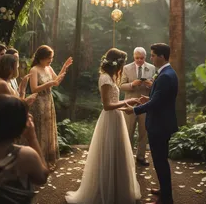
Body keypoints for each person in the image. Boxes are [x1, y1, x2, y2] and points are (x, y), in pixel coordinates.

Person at [65, 48, 141, 204]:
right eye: (123, 63)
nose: (123, 66)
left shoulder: (111, 77)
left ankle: (118, 189)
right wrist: (129, 102)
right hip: (109, 119)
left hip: (117, 117)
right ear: (117, 63)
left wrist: (125, 106)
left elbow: (113, 103)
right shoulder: (105, 79)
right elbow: (107, 105)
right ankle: (105, 189)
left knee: (117, 153)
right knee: (108, 153)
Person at [121, 43, 178, 204]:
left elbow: (158, 103)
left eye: (152, 55)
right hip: (161, 121)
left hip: (160, 124)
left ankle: (166, 198)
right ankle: (164, 190)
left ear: (161, 56)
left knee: (160, 161)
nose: (150, 58)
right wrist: (150, 98)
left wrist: (134, 110)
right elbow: (160, 98)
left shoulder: (165, 75)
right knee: (160, 160)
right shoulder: (166, 72)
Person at [29, 45, 72, 170]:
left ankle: (47, 160)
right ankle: (38, 161)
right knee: (40, 129)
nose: (50, 60)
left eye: (52, 57)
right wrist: (50, 83)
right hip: (38, 102)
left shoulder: (48, 67)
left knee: (48, 128)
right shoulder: (34, 70)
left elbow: (56, 81)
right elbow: (34, 89)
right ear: (41, 57)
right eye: (48, 58)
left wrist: (65, 66)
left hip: (48, 101)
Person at [120, 46, 155, 166]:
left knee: (144, 132)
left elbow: (156, 87)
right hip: (130, 104)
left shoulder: (151, 68)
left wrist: (151, 85)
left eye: (141, 58)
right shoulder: (126, 68)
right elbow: (121, 86)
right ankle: (127, 157)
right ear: (133, 57)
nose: (139, 60)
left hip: (145, 104)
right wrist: (132, 84)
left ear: (145, 57)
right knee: (128, 131)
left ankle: (141, 157)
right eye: (137, 58)